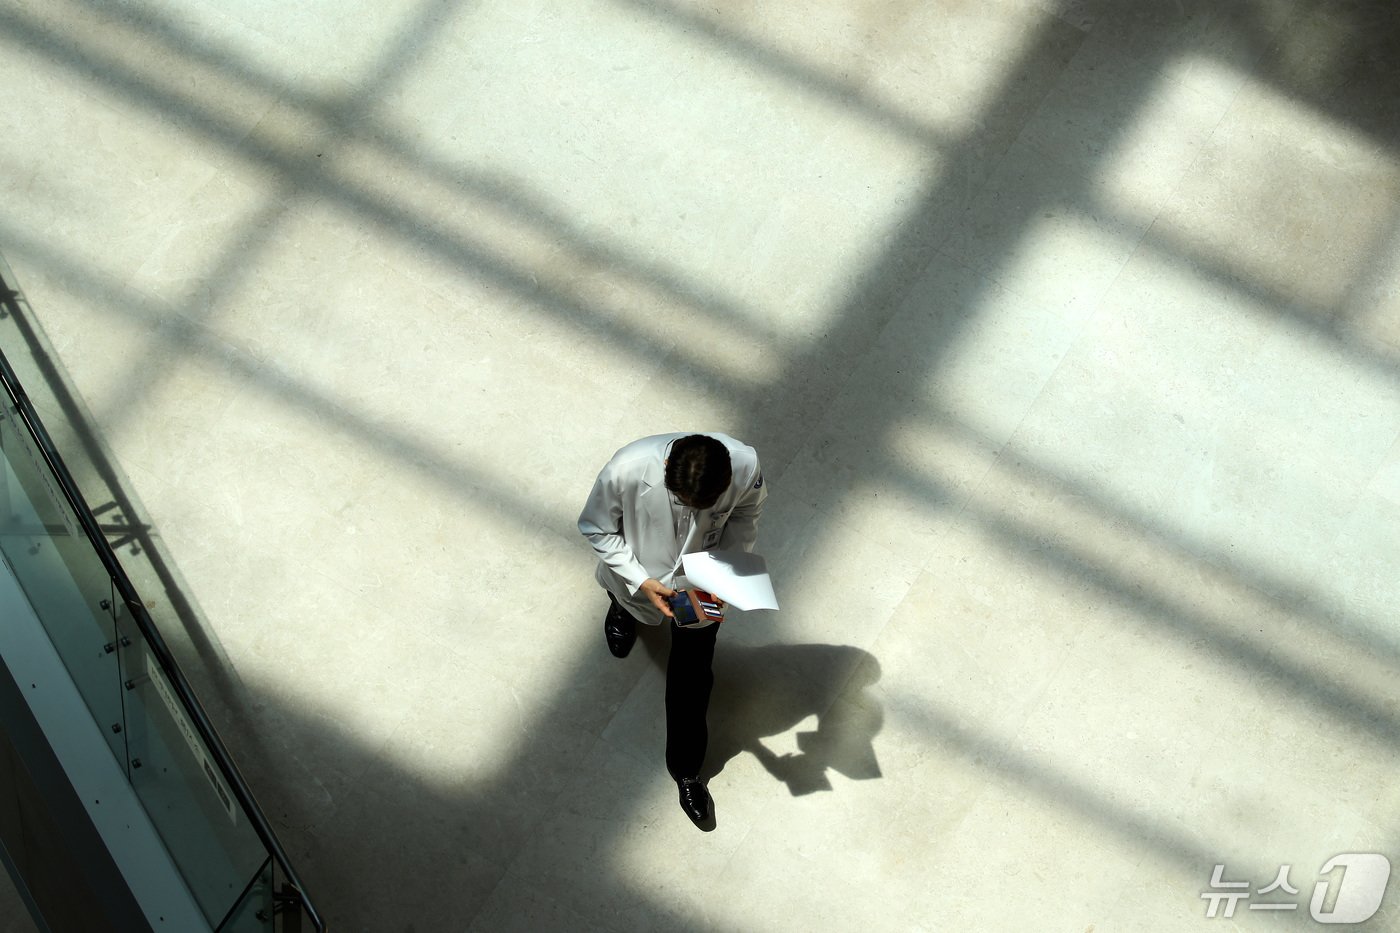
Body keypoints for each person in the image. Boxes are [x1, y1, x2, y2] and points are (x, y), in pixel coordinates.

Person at [578, 432, 767, 829]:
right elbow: (596, 527)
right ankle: (624, 611)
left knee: (693, 677)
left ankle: (687, 770)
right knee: (629, 602)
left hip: (700, 585)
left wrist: (728, 572)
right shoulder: (626, 468)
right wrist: (640, 581)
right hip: (640, 576)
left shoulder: (745, 464)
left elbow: (747, 513)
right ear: (666, 469)